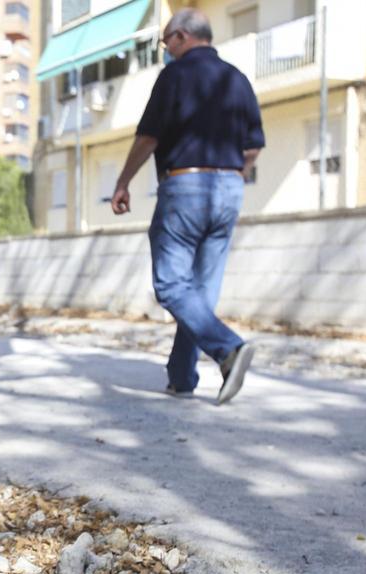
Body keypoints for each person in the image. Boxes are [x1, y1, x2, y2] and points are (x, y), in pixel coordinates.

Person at [110, 8, 263, 405]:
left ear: (180, 37)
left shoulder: (174, 76)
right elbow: (254, 147)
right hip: (229, 187)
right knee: (200, 291)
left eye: (164, 42)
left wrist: (123, 181)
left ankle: (228, 348)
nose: (165, 50)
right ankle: (182, 376)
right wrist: (230, 178)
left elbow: (148, 138)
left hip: (186, 184)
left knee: (171, 283)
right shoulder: (238, 79)